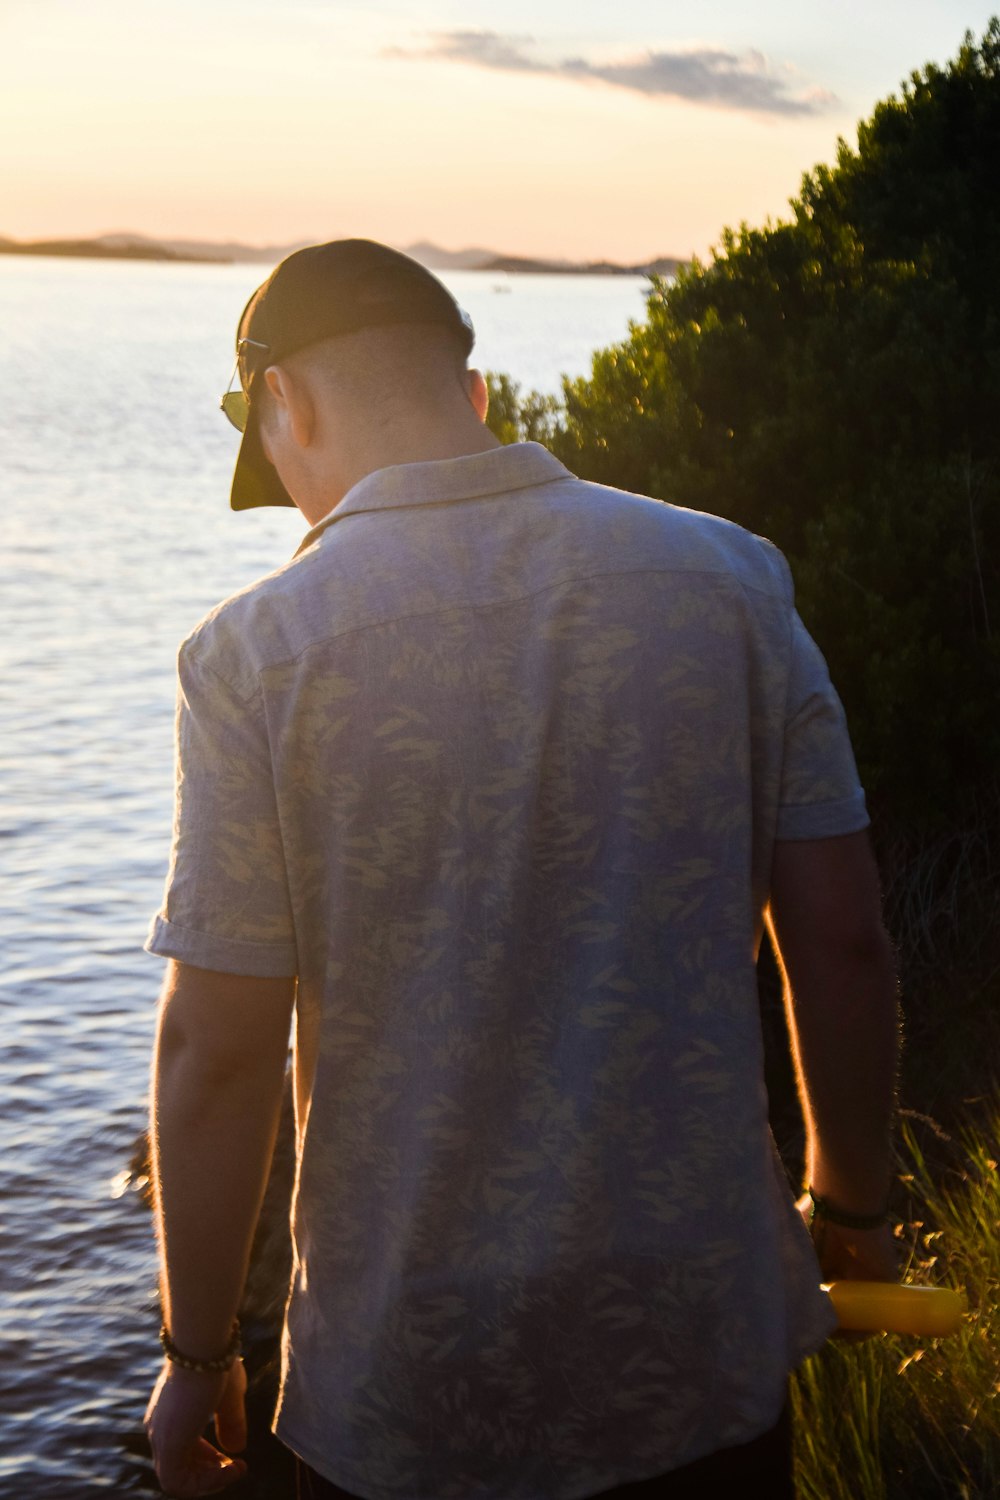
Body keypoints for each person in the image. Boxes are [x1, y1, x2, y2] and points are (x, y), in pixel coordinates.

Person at [143, 240, 900, 1500]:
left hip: (409, 1375)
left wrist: (198, 1348)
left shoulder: (253, 656)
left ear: (287, 403)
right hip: (697, 1331)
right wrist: (855, 1217)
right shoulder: (729, 578)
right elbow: (840, 939)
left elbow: (217, 1050)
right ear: (476, 395)